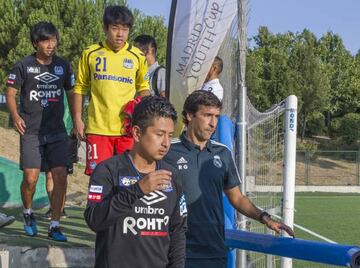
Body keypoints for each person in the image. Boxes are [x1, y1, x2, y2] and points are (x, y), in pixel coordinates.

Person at [164, 91, 294, 268]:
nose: (213, 123)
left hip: (214, 250)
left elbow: (237, 197)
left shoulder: (222, 153)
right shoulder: (167, 151)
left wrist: (265, 218)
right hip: (177, 250)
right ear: (189, 115)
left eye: (216, 116)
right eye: (207, 115)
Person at [84, 96, 187, 268]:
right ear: (137, 133)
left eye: (170, 135)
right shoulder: (108, 170)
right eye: (159, 134)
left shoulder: (172, 175)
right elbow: (94, 220)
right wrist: (137, 190)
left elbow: (178, 231)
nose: (166, 143)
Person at [5, 21, 74, 241]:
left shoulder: (63, 66)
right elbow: (10, 93)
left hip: (57, 132)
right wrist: (15, 116)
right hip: (31, 131)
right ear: (36, 43)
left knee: (60, 176)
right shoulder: (23, 65)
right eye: (45, 40)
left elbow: (72, 92)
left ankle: (55, 224)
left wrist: (78, 119)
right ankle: (27, 212)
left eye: (53, 39)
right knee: (31, 178)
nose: (51, 44)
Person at [73, 5, 150, 176]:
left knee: (128, 179)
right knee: (99, 180)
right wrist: (77, 119)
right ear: (105, 28)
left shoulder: (137, 56)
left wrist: (144, 117)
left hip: (128, 131)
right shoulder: (90, 53)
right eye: (115, 28)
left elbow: (144, 89)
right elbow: (80, 88)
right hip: (98, 129)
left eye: (125, 29)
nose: (120, 34)